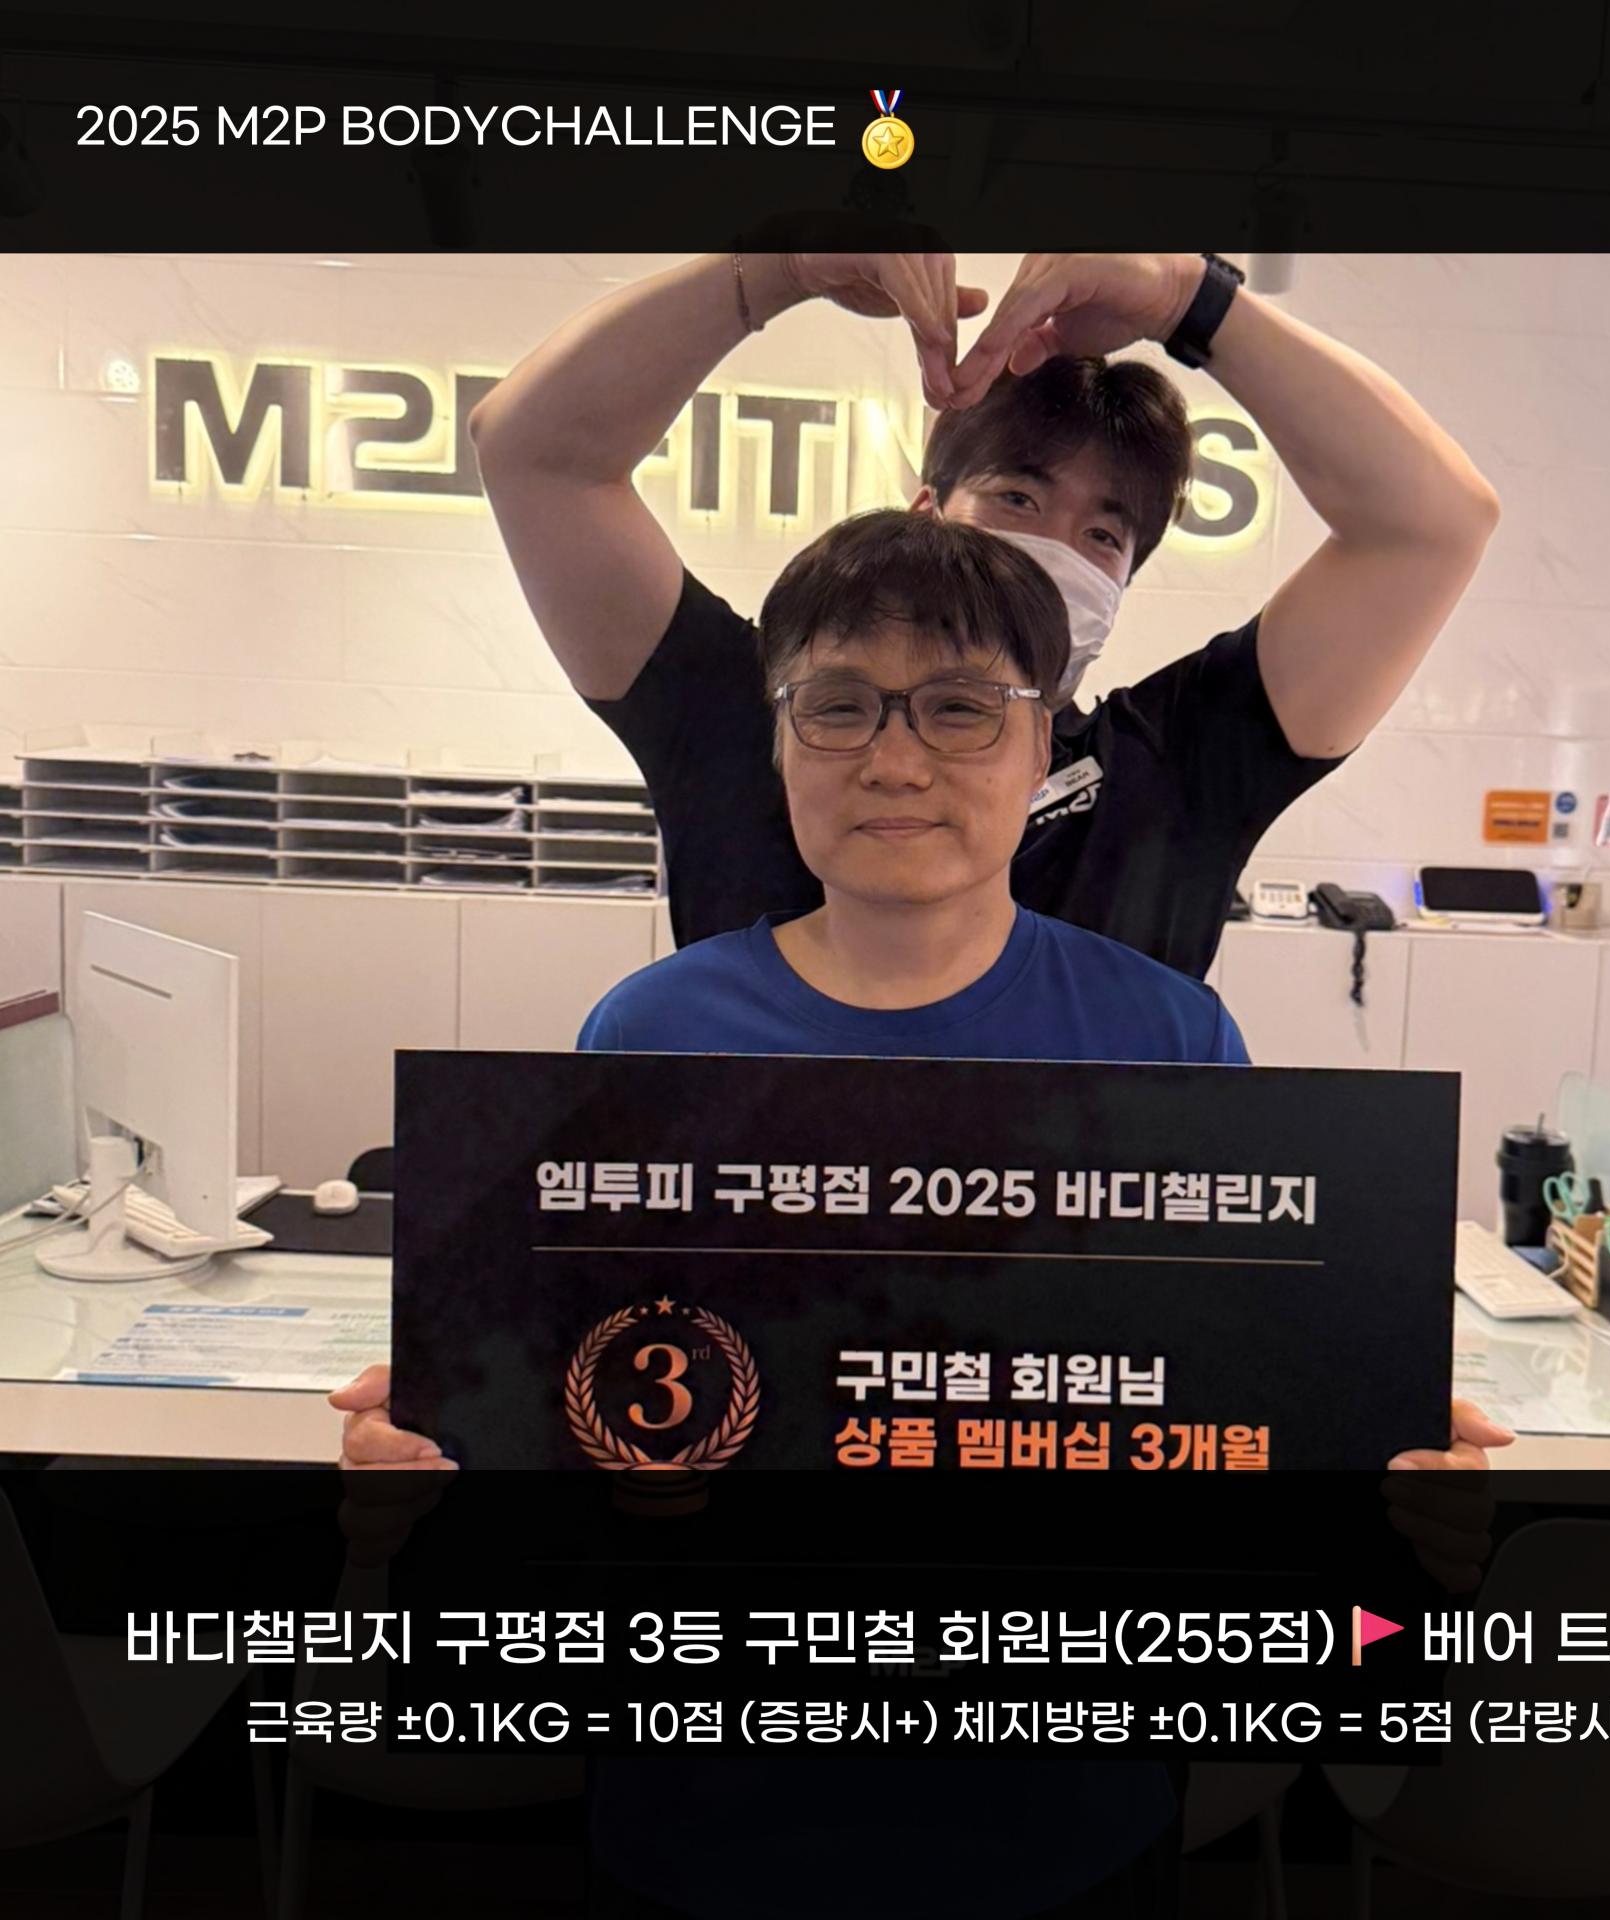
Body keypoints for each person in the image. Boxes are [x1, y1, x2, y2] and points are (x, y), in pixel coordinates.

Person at [332, 510, 1512, 1919]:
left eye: (960, 708)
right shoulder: (651, 1031)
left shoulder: (1167, 1038)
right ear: (780, 744)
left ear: (1040, 743)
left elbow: (1235, 1428)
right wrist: (434, 1465)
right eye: (838, 707)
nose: (895, 760)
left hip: (1068, 1806)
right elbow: (579, 1414)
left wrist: (1393, 1504)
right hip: (713, 1801)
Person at [467, 248, 1501, 979]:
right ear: (927, 514)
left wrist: (1190, 298)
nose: (1051, 552)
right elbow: (533, 452)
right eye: (1016, 498)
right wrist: (776, 269)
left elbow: (1433, 524)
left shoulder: (1176, 764)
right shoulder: (765, 713)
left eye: (1104, 534)